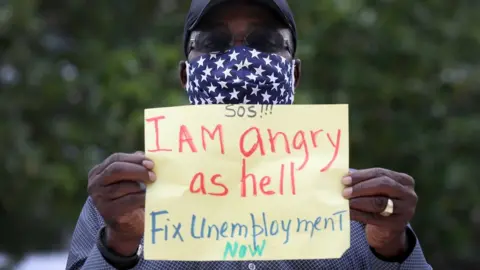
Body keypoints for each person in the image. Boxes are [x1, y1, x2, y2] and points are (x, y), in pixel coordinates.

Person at [66, 0, 432, 269]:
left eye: (266, 41)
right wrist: (118, 246)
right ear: (185, 76)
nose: (240, 58)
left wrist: (391, 248)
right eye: (213, 43)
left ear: (295, 74)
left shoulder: (362, 207)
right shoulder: (123, 199)